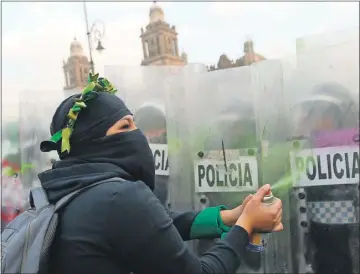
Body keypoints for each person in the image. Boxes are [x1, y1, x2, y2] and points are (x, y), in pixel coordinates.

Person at [39, 73, 283, 274]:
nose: (139, 134)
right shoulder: (119, 196)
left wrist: (229, 217)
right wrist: (246, 225)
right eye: (125, 125)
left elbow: (158, 225)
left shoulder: (64, 190)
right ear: (94, 140)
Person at [290, 82, 359, 274]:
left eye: (326, 114)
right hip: (320, 253)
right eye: (314, 113)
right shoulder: (304, 154)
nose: (319, 120)